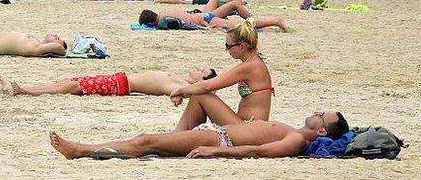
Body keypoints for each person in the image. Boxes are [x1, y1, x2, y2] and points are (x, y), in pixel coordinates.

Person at [48, 110, 349, 159]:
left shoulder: (296, 139)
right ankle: (84, 149)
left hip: (217, 140)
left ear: (321, 129)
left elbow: (257, 152)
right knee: (150, 142)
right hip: (215, 134)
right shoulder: (295, 131)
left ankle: (80, 149)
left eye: (322, 115)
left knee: (146, 141)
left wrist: (215, 150)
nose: (318, 110)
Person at [169, 19, 277, 131]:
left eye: (228, 46)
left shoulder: (251, 66)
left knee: (200, 95)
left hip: (249, 129)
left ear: (242, 47)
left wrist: (180, 91)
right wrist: (187, 91)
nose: (226, 49)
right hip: (247, 125)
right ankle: (179, 135)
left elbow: (208, 86)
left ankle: (187, 137)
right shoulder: (254, 62)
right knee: (199, 94)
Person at [0, 67, 217, 97]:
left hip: (122, 85)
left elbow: (177, 92)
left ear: (203, 79)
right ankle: (25, 87)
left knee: (75, 87)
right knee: (72, 81)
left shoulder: (180, 84)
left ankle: (23, 90)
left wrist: (182, 93)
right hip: (119, 79)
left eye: (203, 71)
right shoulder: (179, 77)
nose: (198, 69)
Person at [137, 9, 291, 32]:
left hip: (206, 20)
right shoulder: (164, 12)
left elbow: (186, 25)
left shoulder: (164, 20)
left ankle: (276, 21)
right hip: (204, 16)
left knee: (242, 25)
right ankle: (274, 22)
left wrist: (205, 28)